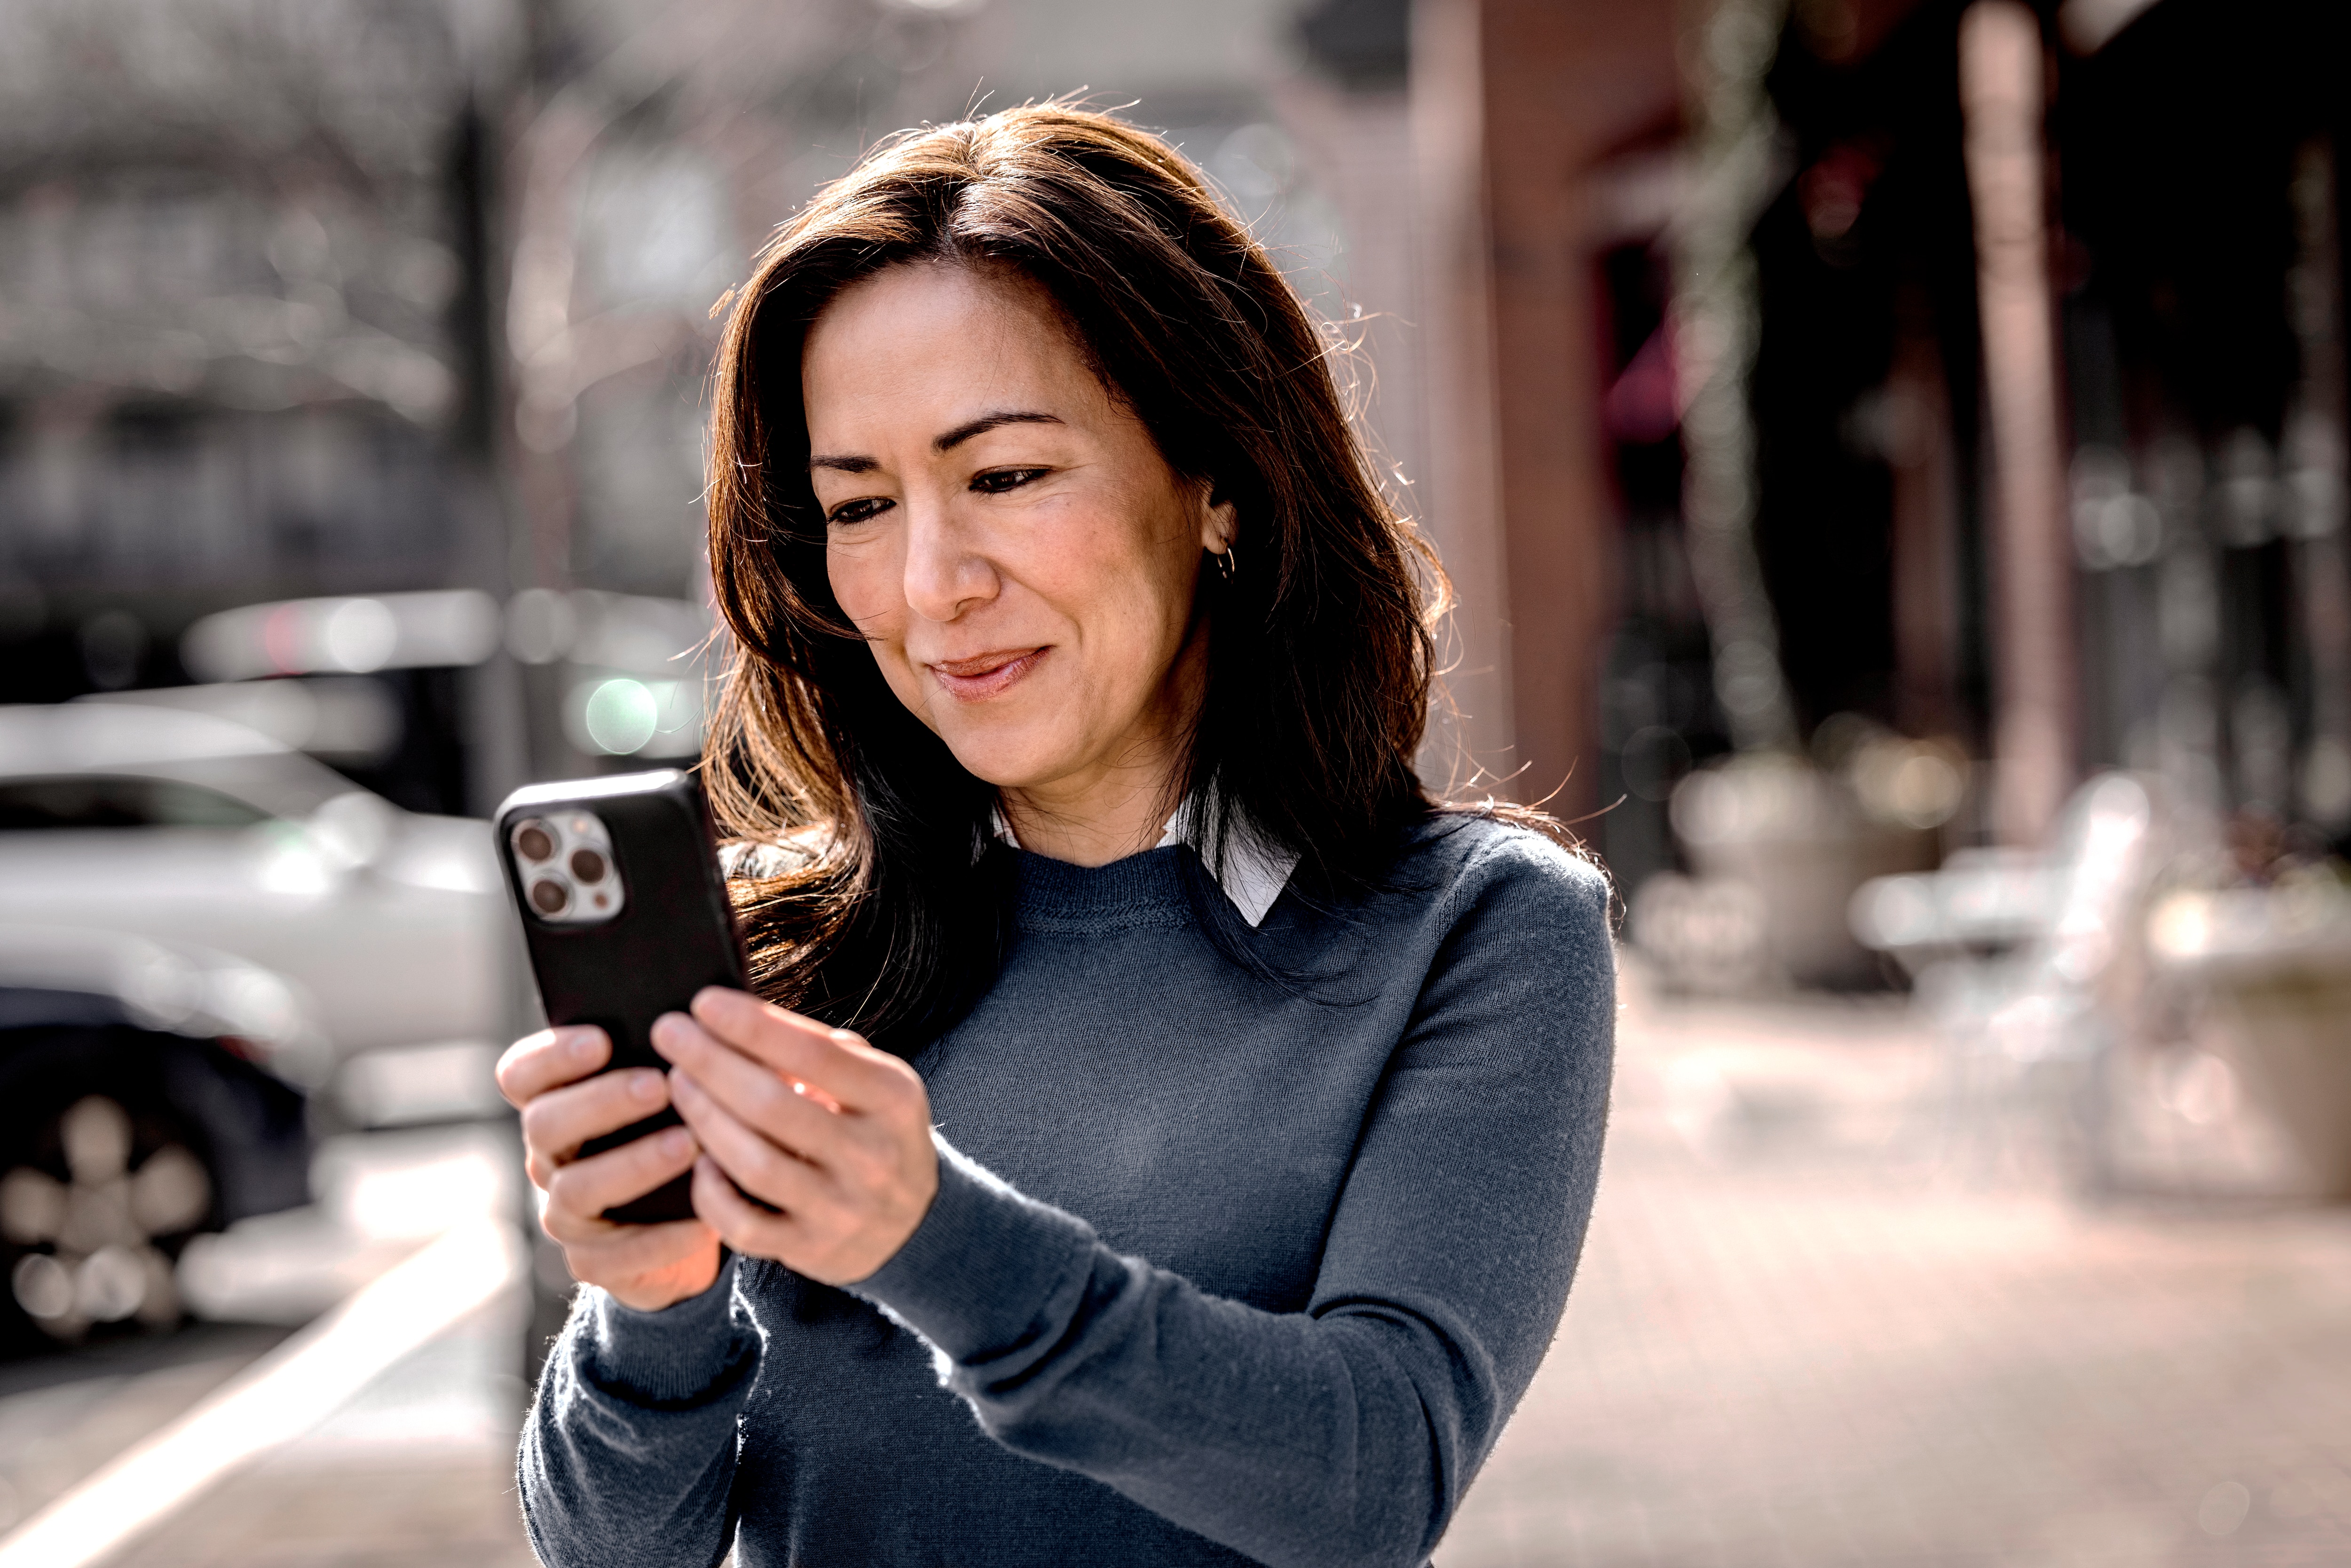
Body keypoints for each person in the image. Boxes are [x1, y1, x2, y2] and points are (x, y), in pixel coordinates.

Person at [496, 103, 1614, 1568]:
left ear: (1217, 480)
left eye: (1005, 476)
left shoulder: (1474, 933)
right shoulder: (777, 956)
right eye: (862, 504)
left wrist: (931, 1239)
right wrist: (650, 1309)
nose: (929, 581)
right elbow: (609, 1550)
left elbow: (1371, 1482)